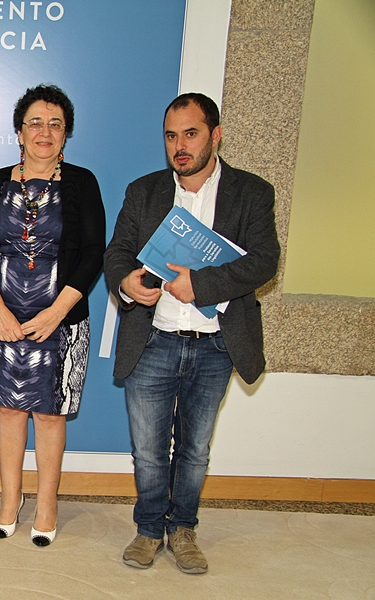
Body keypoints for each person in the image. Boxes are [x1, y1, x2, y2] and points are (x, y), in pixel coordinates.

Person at [104, 92, 280, 574]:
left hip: (217, 344)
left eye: (191, 133)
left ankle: (182, 528)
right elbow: (117, 252)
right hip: (152, 339)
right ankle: (147, 529)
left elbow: (265, 262)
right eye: (171, 135)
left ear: (215, 135)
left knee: (195, 450)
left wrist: (198, 284)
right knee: (148, 451)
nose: (179, 145)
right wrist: (126, 283)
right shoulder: (144, 191)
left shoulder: (252, 193)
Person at [0, 84, 106, 547]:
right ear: (18, 132)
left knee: (49, 415)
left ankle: (46, 503)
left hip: (61, 317)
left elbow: (92, 254)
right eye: (35, 123)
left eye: (55, 124)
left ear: (66, 134)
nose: (44, 132)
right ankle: (11, 500)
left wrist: (56, 313)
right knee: (9, 410)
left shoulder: (83, 182)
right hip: (2, 314)